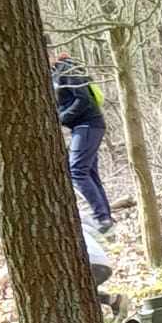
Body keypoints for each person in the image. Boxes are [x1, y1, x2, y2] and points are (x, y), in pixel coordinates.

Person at [51, 52, 112, 230]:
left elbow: (83, 99)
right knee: (89, 172)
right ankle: (105, 218)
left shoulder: (67, 69)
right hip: (81, 127)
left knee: (77, 170)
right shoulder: (54, 72)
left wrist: (60, 118)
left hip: (88, 125)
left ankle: (101, 218)